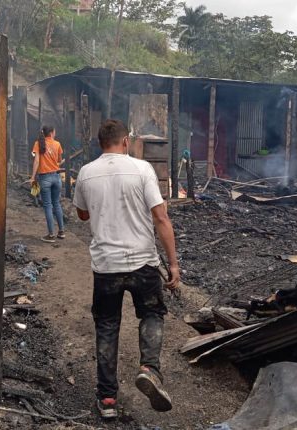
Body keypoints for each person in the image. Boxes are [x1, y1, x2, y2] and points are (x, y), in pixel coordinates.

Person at [73, 119, 180, 419]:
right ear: (125, 142)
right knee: (151, 314)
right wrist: (173, 263)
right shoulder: (142, 169)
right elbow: (161, 218)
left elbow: (82, 214)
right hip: (142, 262)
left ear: (100, 143)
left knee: (107, 326)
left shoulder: (86, 173)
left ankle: (107, 400)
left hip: (106, 266)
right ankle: (149, 369)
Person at [29, 126, 65, 242]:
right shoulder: (57, 144)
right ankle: (61, 232)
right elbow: (59, 160)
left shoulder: (38, 143)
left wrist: (33, 177)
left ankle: (51, 235)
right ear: (51, 133)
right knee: (57, 204)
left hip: (45, 178)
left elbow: (37, 160)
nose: (55, 133)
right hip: (56, 177)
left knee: (48, 206)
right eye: (55, 132)